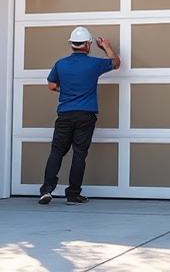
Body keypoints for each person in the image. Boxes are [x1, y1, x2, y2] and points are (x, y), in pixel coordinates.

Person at [39, 26, 120, 205]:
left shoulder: (60, 64)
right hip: (85, 115)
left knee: (57, 152)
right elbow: (116, 62)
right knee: (79, 153)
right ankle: (73, 194)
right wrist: (106, 46)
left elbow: (52, 86)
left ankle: (46, 190)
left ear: (71, 44)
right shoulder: (94, 64)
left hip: (65, 114)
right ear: (88, 44)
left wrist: (67, 90)